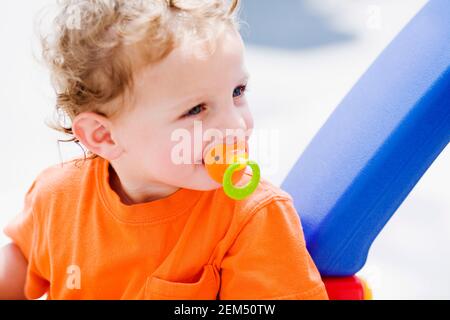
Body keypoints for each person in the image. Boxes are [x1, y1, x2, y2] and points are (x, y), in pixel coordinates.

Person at [0, 0, 327, 300]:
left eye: (237, 91)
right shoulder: (58, 199)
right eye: (196, 109)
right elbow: (21, 259)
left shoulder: (252, 218)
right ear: (104, 136)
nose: (236, 126)